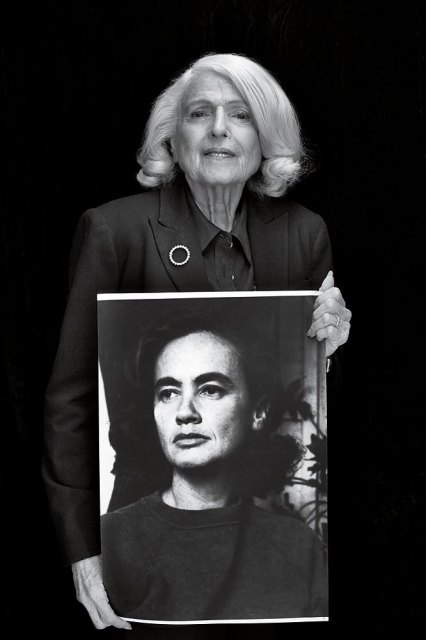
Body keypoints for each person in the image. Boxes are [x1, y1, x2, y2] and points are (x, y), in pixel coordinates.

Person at [43, 52, 351, 631]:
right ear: (170, 138)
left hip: (266, 546)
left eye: (240, 115)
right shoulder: (115, 232)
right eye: (199, 114)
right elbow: (70, 400)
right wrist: (83, 554)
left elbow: (321, 396)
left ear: (266, 139)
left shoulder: (305, 235)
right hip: (142, 549)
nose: (218, 130)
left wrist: (330, 349)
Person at [101, 313, 328, 622]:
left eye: (210, 389)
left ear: (258, 411)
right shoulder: (106, 542)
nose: (185, 413)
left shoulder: (300, 548)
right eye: (168, 393)